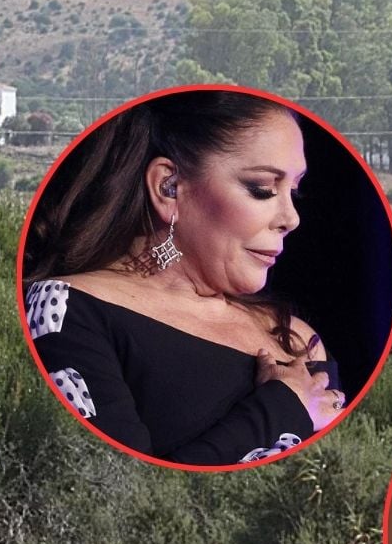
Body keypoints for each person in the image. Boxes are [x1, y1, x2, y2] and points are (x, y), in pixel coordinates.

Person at [22, 89, 343, 465]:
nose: (291, 218)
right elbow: (120, 482)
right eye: (263, 190)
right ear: (169, 187)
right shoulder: (63, 310)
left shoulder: (298, 339)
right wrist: (279, 409)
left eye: (294, 191)